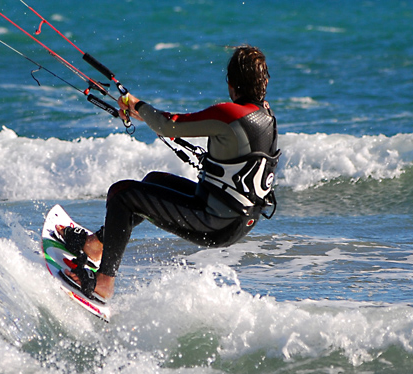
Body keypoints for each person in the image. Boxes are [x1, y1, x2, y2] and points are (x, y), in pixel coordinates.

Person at [56, 45, 279, 303]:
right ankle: (94, 246)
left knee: (122, 195)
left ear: (231, 84)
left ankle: (103, 284)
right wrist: (143, 113)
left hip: (215, 220)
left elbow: (168, 125)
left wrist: (135, 103)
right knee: (153, 181)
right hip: (236, 217)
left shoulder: (229, 114)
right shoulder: (266, 115)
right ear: (264, 82)